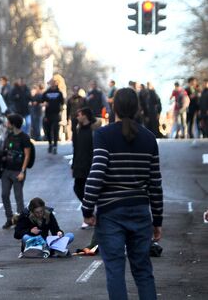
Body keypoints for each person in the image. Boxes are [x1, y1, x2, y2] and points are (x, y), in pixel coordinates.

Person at [82, 87, 163, 300]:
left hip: (111, 213)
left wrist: (87, 208)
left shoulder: (103, 135)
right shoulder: (149, 138)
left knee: (115, 270)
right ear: (137, 108)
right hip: (140, 210)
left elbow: (97, 173)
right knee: (144, 271)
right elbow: (155, 184)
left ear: (113, 106)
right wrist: (158, 220)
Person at [0, 114, 32, 229]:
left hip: (18, 171)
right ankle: (9, 218)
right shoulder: (8, 135)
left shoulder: (24, 137)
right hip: (6, 170)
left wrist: (22, 171)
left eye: (8, 122)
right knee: (4, 194)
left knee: (18, 197)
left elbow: (27, 155)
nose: (6, 124)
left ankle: (21, 221)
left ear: (13, 124)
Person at [71, 107, 98, 229]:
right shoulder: (77, 130)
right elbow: (75, 148)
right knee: (78, 189)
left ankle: (88, 217)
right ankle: (89, 214)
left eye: (79, 115)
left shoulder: (94, 130)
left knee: (91, 191)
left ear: (85, 116)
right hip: (79, 165)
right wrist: (74, 164)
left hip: (91, 165)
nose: (77, 117)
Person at [42, 80, 64, 154]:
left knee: (55, 130)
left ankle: (55, 145)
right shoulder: (46, 92)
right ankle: (50, 143)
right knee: (47, 130)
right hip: (48, 114)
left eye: (54, 83)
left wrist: (61, 109)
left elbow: (62, 102)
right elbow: (41, 100)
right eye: (51, 83)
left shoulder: (59, 93)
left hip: (56, 114)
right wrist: (44, 103)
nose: (52, 85)